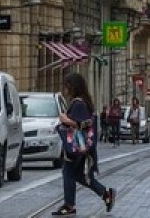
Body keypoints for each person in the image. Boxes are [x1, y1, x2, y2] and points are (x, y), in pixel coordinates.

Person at [53, 72, 115, 216]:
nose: (65, 89)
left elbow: (84, 124)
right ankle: (106, 194)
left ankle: (69, 206)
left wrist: (65, 120)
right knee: (81, 176)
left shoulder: (78, 103)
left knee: (69, 173)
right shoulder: (83, 102)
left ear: (72, 86)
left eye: (67, 85)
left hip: (76, 147)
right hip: (81, 147)